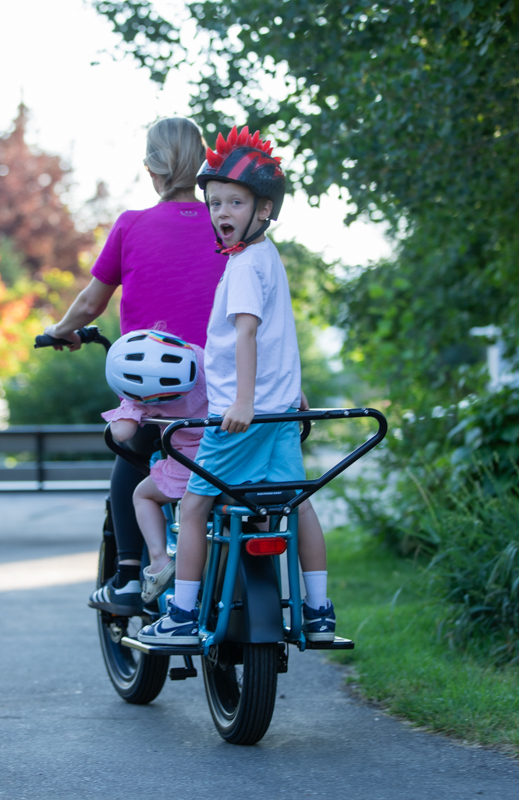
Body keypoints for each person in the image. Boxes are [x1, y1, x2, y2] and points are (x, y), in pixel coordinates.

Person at [138, 126, 336, 645]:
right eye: (216, 202)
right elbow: (280, 338)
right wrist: (291, 393)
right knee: (297, 503)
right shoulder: (268, 257)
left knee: (195, 504)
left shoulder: (245, 266)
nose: (221, 213)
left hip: (239, 418)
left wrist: (244, 401)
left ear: (263, 210)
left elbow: (247, 334)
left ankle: (181, 615)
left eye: (235, 202)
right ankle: (318, 609)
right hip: (280, 416)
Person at [43, 118, 227, 615]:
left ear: (150, 168)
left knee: (131, 453)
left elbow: (88, 306)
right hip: (226, 387)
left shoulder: (131, 224)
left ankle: (129, 575)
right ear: (203, 160)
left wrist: (62, 331)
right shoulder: (228, 224)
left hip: (159, 386)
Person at [101, 331, 210, 603]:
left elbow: (123, 434)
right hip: (234, 457)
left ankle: (159, 561)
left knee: (143, 494)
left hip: (191, 469)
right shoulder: (202, 357)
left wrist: (131, 405)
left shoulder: (143, 397)